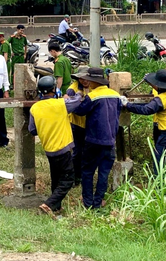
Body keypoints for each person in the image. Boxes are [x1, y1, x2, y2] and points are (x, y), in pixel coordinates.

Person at [29, 75, 81, 217]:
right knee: (68, 179)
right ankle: (49, 204)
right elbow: (77, 101)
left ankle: (56, 208)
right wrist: (79, 92)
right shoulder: (61, 104)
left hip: (49, 149)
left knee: (56, 178)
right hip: (63, 148)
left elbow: (32, 130)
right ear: (54, 89)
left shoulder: (35, 108)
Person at [72, 68, 122, 209]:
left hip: (93, 140)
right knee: (104, 173)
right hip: (110, 139)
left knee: (88, 171)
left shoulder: (92, 96)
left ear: (94, 82)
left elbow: (80, 111)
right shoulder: (116, 95)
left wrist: (74, 100)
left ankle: (88, 202)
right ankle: (98, 201)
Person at [123, 69, 166, 173]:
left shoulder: (163, 98)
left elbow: (147, 109)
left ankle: (160, 181)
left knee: (160, 162)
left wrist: (127, 105)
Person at [67, 66, 90, 186]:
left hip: (90, 124)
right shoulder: (72, 90)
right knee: (77, 151)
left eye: (86, 78)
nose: (84, 81)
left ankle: (85, 174)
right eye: (82, 78)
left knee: (88, 151)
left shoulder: (94, 87)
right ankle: (76, 176)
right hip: (76, 124)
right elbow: (70, 107)